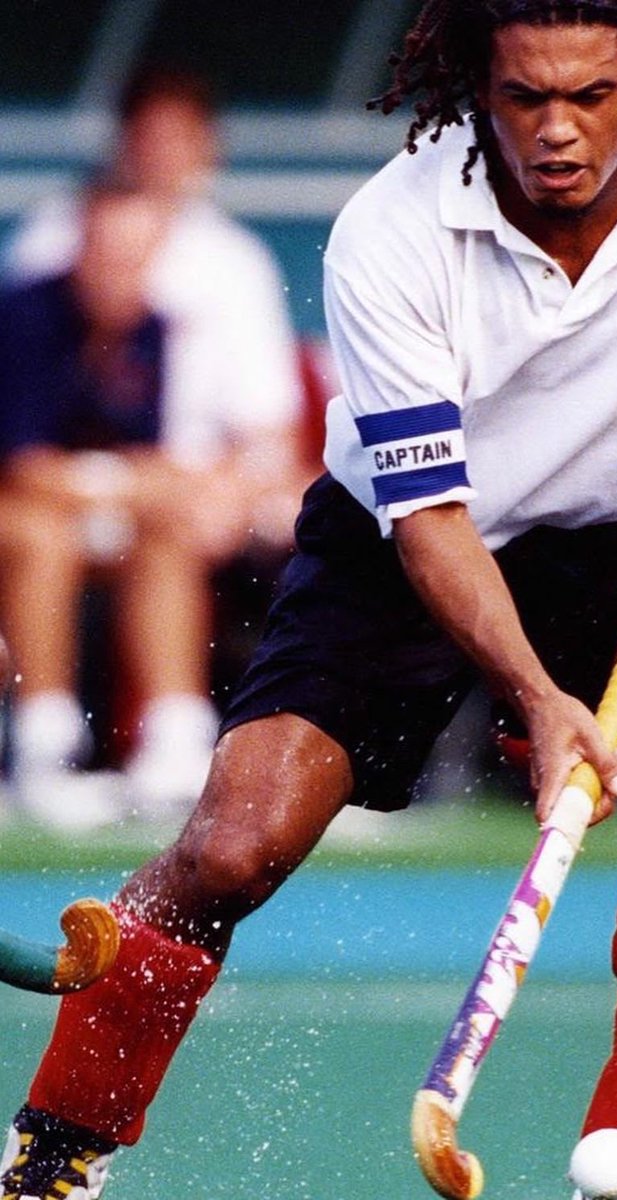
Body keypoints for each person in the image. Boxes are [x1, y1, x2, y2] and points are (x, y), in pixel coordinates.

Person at [0, 3, 617, 1199]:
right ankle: (58, 1145)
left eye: (591, 96)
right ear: (474, 88)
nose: (558, 131)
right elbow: (429, 518)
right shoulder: (394, 230)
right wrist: (540, 701)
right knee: (234, 848)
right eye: (525, 97)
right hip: (409, 540)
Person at [1, 65, 307, 824]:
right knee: (39, 536)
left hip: (172, 505)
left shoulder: (177, 309)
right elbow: (27, 461)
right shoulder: (35, 293)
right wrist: (142, 484)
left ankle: (176, 752)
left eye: (136, 259)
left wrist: (205, 490)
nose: (121, 273)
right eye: (104, 254)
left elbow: (249, 434)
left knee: (168, 534)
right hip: (54, 512)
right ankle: (45, 752)